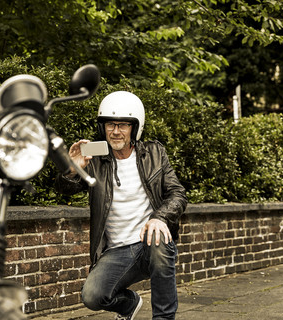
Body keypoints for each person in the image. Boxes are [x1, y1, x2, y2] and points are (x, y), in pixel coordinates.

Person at [55, 91, 188, 320]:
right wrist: (71, 168)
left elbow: (177, 193)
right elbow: (64, 189)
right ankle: (129, 306)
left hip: (149, 243)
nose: (115, 131)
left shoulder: (154, 153)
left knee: (159, 237)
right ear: (102, 127)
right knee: (93, 296)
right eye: (110, 124)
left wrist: (160, 217)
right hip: (116, 251)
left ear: (135, 128)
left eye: (123, 125)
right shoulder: (94, 159)